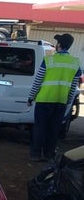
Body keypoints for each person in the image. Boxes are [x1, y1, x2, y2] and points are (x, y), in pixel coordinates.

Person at [27, 33, 82, 161]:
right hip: (60, 101)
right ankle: (49, 154)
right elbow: (73, 85)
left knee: (40, 128)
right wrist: (68, 101)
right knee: (53, 129)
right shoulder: (75, 63)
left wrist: (31, 97)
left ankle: (35, 154)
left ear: (59, 45)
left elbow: (38, 81)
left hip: (44, 100)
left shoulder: (49, 60)